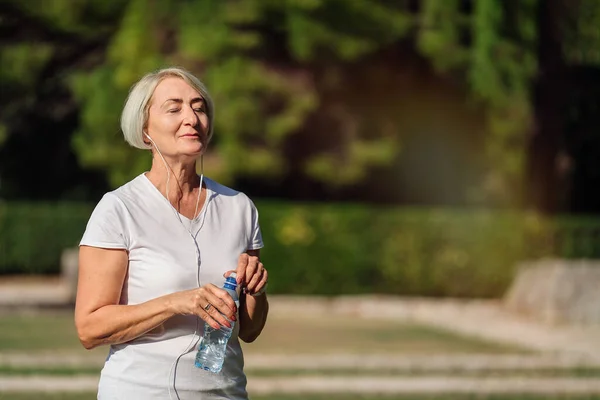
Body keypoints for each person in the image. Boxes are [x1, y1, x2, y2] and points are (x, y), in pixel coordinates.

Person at [74, 67, 269, 400]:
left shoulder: (239, 207)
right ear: (145, 129)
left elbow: (249, 331)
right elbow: (90, 328)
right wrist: (178, 302)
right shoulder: (118, 209)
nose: (191, 117)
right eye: (174, 108)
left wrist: (256, 292)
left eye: (199, 106)